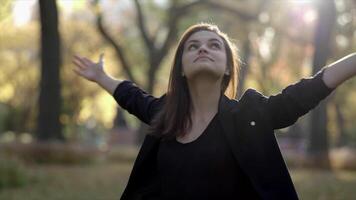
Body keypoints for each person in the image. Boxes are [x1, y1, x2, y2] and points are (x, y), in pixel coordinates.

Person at [73, 23, 356, 200]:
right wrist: (101, 77)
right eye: (193, 46)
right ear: (182, 68)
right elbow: (132, 97)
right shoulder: (164, 114)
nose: (203, 49)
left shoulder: (249, 115)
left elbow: (308, 90)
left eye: (214, 45)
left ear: (228, 67)